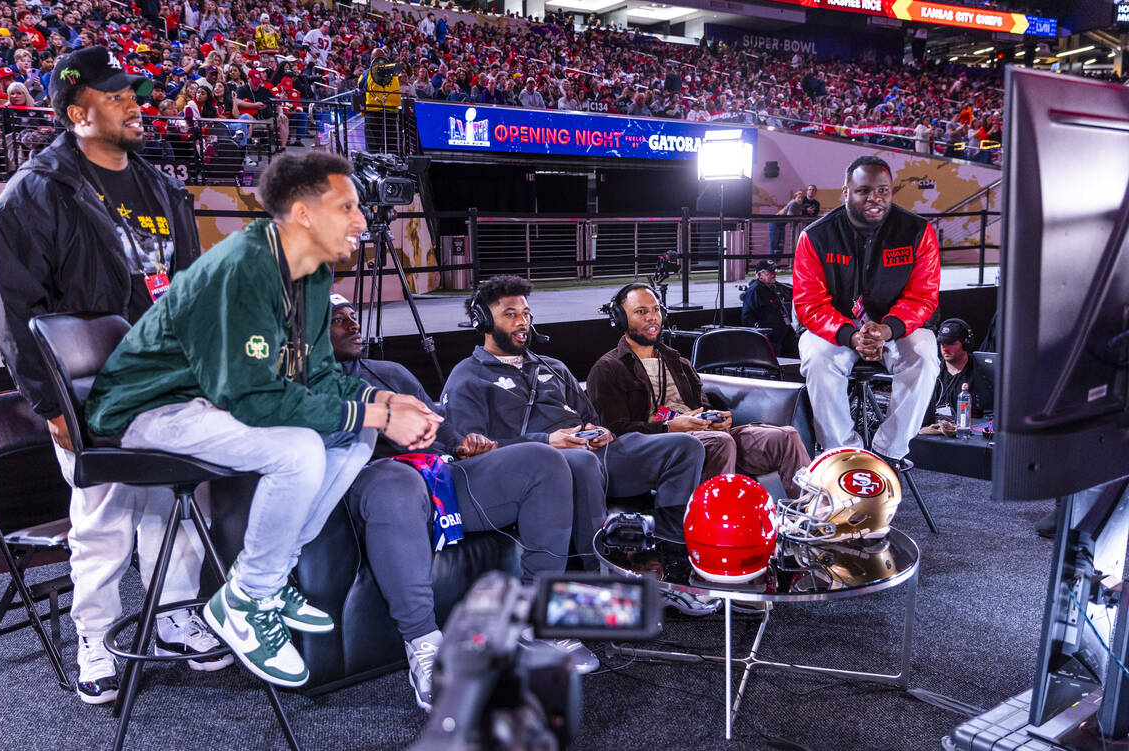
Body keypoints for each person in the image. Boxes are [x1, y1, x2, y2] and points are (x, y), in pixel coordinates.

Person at [84, 151, 443, 687]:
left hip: (211, 403)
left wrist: (384, 405)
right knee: (297, 450)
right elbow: (252, 400)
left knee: (355, 432)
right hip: (147, 409)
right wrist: (374, 409)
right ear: (303, 213)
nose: (362, 220)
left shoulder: (313, 275)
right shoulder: (244, 266)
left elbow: (316, 377)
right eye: (346, 206)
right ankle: (248, 598)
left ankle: (267, 582)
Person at [0, 46, 227, 706]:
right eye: (115, 97)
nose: (133, 105)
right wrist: (49, 402)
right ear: (76, 113)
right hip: (93, 393)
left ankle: (173, 614)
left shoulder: (162, 188)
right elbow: (11, 302)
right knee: (106, 516)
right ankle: (93, 636)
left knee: (179, 500)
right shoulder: (38, 191)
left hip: (170, 383)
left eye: (131, 94)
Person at [328, 297, 599, 709]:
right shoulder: (297, 385)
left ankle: (533, 616)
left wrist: (464, 443)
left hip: (436, 474)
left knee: (544, 460)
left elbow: (443, 432)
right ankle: (423, 643)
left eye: (353, 316)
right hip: (369, 481)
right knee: (396, 479)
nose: (353, 324)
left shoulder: (391, 372)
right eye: (336, 320)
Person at [442, 276, 716, 615]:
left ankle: (668, 571)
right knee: (579, 462)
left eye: (526, 314)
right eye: (510, 314)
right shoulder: (468, 376)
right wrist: (546, 441)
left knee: (685, 448)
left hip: (599, 453)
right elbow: (474, 452)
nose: (522, 322)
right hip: (545, 466)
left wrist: (597, 430)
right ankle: (600, 586)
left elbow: (589, 416)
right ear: (483, 321)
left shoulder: (553, 366)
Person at [586, 283, 810, 495]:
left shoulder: (679, 363)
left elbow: (704, 406)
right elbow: (615, 430)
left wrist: (717, 418)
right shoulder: (607, 369)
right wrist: (669, 427)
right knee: (720, 442)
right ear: (621, 318)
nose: (652, 317)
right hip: (662, 446)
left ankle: (811, 520)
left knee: (786, 436)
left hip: (708, 434)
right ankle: (718, 528)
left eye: (655, 309)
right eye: (641, 311)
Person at [793, 155, 941, 465]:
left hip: (896, 329)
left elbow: (923, 297)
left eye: (883, 190)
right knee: (818, 358)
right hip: (836, 330)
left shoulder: (917, 231)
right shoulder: (816, 237)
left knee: (925, 355)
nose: (874, 199)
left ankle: (889, 454)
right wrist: (850, 336)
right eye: (863, 191)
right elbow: (810, 303)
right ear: (845, 193)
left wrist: (888, 329)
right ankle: (843, 456)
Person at [924, 318, 994, 424]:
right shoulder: (932, 371)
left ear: (966, 343)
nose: (944, 348)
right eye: (942, 343)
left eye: (950, 343)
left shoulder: (982, 374)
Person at [741, 260, 796, 358]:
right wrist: (761, 333)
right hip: (768, 340)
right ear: (759, 275)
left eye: (774, 271)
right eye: (769, 272)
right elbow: (747, 317)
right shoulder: (754, 291)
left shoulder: (772, 287)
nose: (774, 274)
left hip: (780, 337)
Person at [358, 46, 400, 152]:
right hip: (391, 113)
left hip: (373, 112)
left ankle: (374, 166)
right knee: (391, 144)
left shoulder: (367, 73)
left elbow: (359, 90)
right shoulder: (394, 73)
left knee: (373, 146)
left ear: (372, 59)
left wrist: (362, 112)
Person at [769, 189, 803, 260]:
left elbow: (798, 216)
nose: (800, 199)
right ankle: (771, 264)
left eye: (801, 198)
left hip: (782, 224)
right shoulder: (793, 203)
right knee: (774, 243)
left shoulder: (800, 205)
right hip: (775, 222)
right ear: (795, 198)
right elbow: (789, 215)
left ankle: (777, 264)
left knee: (781, 244)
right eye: (798, 197)